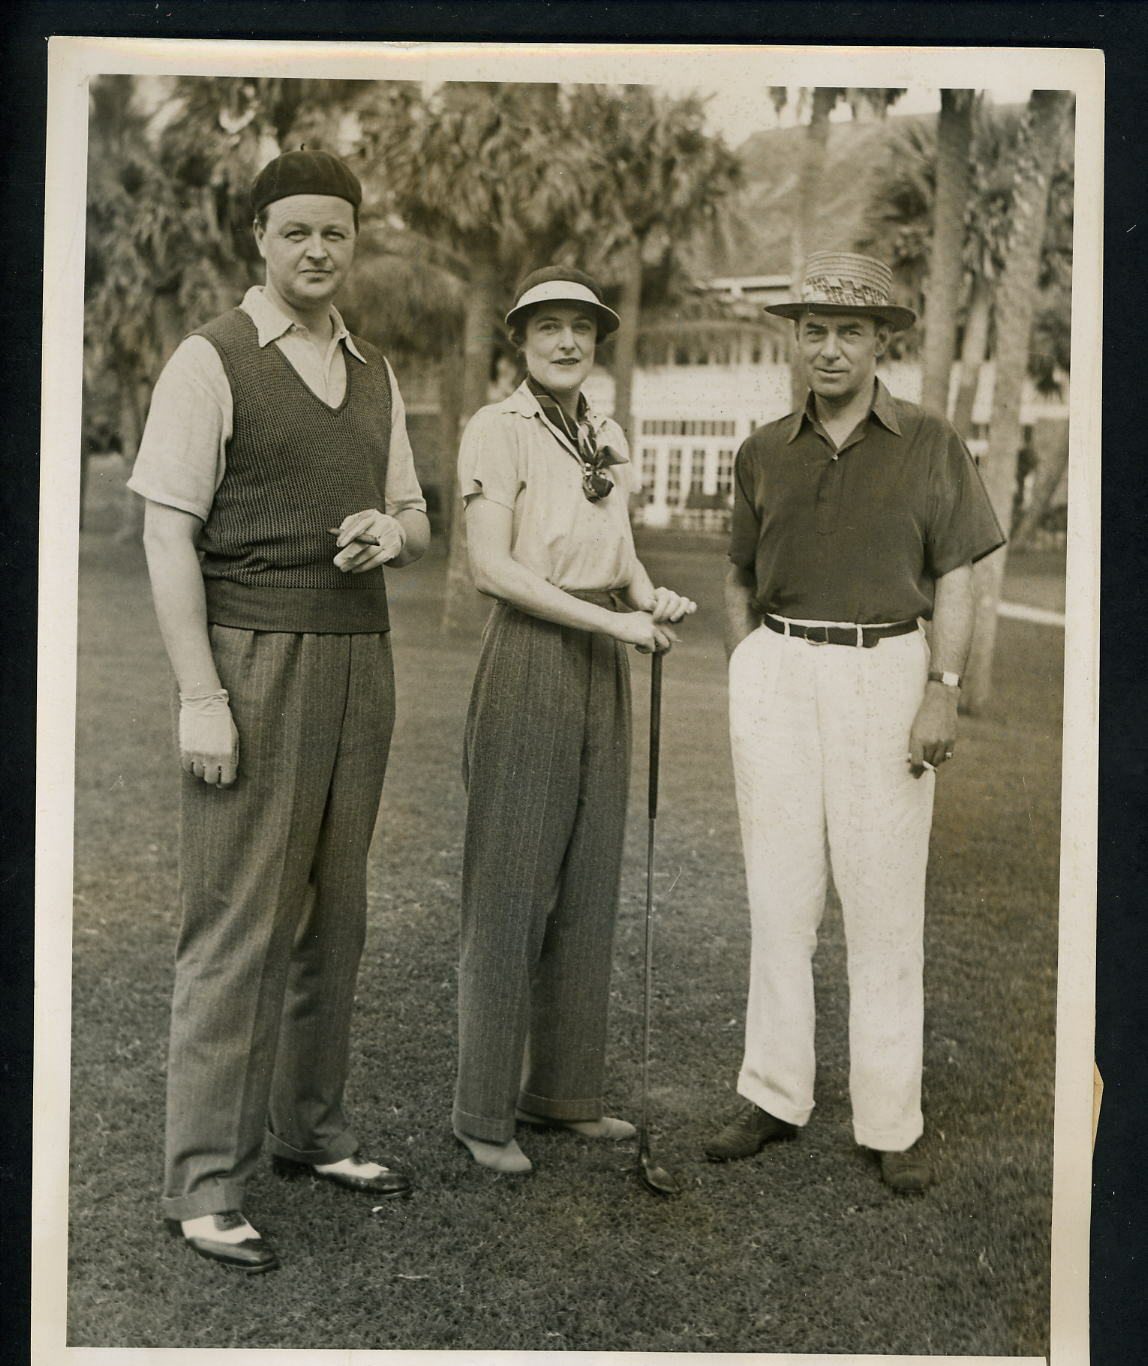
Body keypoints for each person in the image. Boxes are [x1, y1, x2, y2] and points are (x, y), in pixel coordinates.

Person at [131, 149, 430, 1271]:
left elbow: (413, 509)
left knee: (335, 914)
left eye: (336, 234)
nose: (317, 250)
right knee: (236, 922)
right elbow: (168, 532)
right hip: (252, 656)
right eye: (296, 229)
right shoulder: (210, 359)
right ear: (259, 236)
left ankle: (310, 1131)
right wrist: (202, 695)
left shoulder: (374, 368)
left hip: (362, 657)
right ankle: (204, 1181)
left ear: (353, 244)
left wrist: (390, 533)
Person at [704, 252, 1005, 1192]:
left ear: (884, 343)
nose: (829, 349)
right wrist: (752, 662)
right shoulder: (763, 449)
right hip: (781, 668)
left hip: (888, 672)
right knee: (779, 900)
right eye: (814, 330)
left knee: (882, 909)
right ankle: (774, 1095)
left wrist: (944, 686)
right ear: (795, 339)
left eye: (850, 331)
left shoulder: (929, 441)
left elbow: (956, 570)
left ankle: (889, 1121)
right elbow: (738, 575)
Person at [452, 267, 696, 1174]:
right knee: (511, 886)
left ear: (598, 341)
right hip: (530, 651)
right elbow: (492, 567)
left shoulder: (601, 426)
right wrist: (613, 621)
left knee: (590, 877)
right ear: (519, 340)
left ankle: (563, 1096)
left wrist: (648, 594)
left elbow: (617, 539)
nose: (565, 343)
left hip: (603, 651)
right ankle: (484, 1113)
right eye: (547, 328)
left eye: (581, 330)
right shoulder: (498, 427)